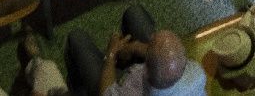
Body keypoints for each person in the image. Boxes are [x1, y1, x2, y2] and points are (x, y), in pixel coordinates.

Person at [66, 17, 205, 96]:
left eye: (150, 42)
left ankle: (76, 87)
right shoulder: (197, 74)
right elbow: (164, 62)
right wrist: (134, 47)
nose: (150, 36)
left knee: (77, 38)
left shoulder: (132, 92)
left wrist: (111, 54)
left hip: (117, 87)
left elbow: (106, 93)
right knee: (134, 13)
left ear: (146, 69)